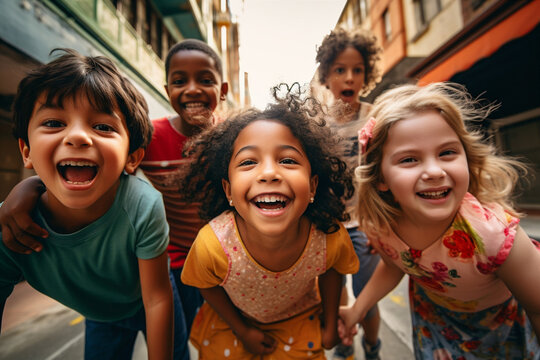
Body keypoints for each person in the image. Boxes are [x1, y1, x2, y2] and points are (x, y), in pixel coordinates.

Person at [0, 39, 229, 358]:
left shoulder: (233, 138)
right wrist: (30, 186)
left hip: (217, 260)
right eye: (179, 80)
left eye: (205, 79)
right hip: (171, 259)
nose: (78, 136)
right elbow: (99, 162)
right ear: (166, 89)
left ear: (223, 89)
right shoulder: (152, 137)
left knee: (205, 341)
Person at [339, 82, 540, 359]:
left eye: (447, 153)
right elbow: (395, 264)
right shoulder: (381, 228)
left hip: (502, 333)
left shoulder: (495, 235)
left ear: (467, 158)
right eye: (409, 159)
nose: (434, 171)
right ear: (381, 178)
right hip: (433, 325)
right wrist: (356, 310)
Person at [178, 85, 360, 359]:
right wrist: (242, 330)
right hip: (234, 323)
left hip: (301, 320)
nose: (269, 173)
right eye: (248, 162)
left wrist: (330, 320)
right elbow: (206, 284)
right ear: (228, 191)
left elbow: (333, 270)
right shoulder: (212, 244)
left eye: (287, 160)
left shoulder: (328, 236)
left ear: (312, 187)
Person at [315, 26, 383, 360]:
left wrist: (383, 223)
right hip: (329, 227)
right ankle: (345, 345)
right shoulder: (317, 124)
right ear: (326, 76)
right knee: (336, 295)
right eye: (340, 70)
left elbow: (386, 174)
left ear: (366, 75)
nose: (349, 78)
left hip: (367, 226)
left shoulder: (377, 117)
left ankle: (372, 347)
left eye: (357, 70)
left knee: (367, 300)